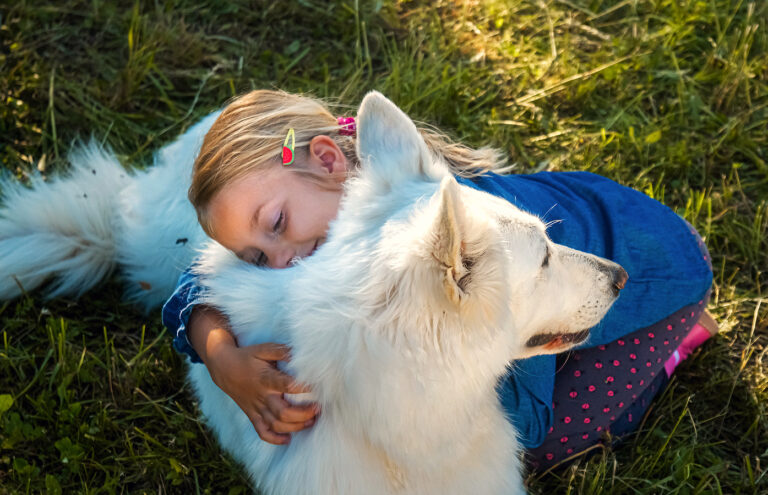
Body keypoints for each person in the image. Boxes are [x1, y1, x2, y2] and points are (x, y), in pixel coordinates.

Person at [162, 89, 716, 470]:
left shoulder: (477, 240)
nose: (281, 263)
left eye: (277, 225)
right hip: (561, 258)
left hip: (645, 269)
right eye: (257, 257)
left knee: (539, 442)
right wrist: (222, 357)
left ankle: (675, 343)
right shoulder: (318, 240)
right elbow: (201, 283)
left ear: (330, 161)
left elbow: (521, 410)